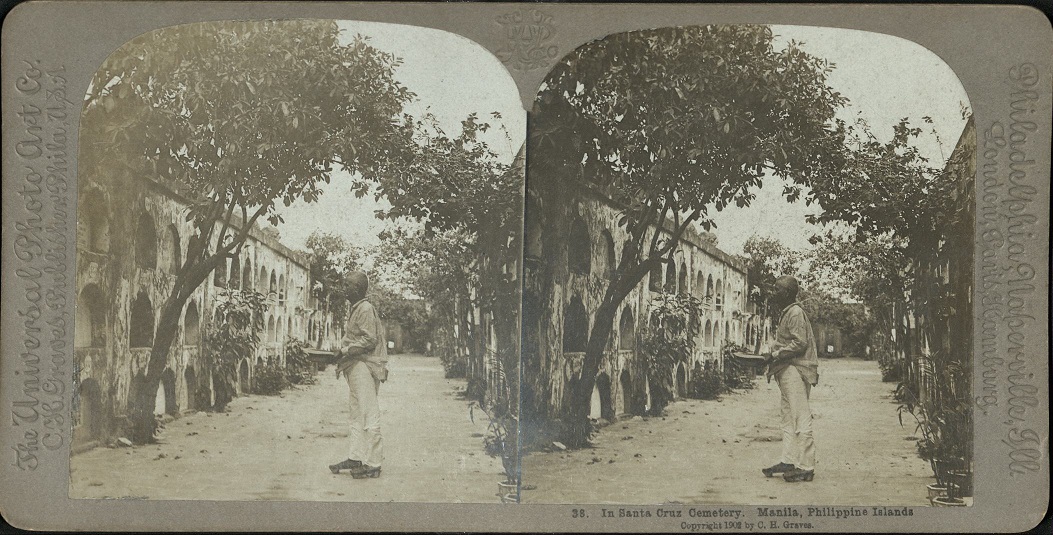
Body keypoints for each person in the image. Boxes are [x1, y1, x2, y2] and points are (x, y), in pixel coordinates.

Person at [328, 271, 388, 479]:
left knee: (368, 413)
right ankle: (356, 457)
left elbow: (369, 340)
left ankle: (373, 463)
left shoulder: (364, 308)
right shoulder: (357, 308)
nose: (345, 289)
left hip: (364, 365)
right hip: (354, 365)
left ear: (357, 289)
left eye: (348, 285)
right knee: (355, 414)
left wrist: (344, 351)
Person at [760, 275, 819, 483]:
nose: (774, 293)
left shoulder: (794, 312)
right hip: (787, 369)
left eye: (777, 290)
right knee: (787, 417)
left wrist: (774, 355)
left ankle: (806, 466)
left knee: (800, 416)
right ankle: (789, 459)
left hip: (796, 369)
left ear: (786, 293)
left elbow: (799, 343)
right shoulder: (789, 312)